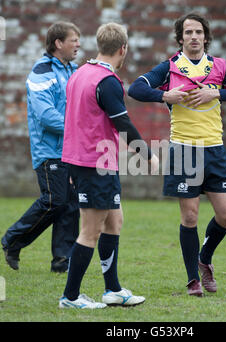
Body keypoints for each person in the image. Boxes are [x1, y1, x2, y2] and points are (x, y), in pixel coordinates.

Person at [128, 12, 226, 297]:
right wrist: (165, 96)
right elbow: (136, 88)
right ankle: (192, 281)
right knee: (190, 218)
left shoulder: (220, 67)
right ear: (181, 38)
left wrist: (217, 93)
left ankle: (205, 258)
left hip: (214, 150)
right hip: (184, 150)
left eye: (198, 32)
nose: (194, 37)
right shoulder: (169, 68)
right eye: (188, 33)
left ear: (206, 37)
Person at [59, 22, 159, 309]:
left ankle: (113, 290)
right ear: (122, 49)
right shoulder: (106, 81)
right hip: (94, 164)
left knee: (114, 221)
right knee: (90, 231)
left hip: (94, 162)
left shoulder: (79, 74)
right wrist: (146, 154)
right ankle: (71, 296)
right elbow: (122, 122)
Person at [1, 22, 81, 273]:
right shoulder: (41, 71)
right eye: (73, 40)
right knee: (54, 201)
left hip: (71, 149)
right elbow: (46, 116)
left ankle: (62, 261)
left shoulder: (74, 70)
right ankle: (12, 239)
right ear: (58, 43)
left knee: (70, 204)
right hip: (49, 151)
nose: (78, 44)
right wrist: (76, 131)